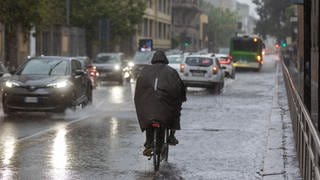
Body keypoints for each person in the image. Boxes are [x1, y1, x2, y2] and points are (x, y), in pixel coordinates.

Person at [134, 50, 186, 156]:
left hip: (148, 105)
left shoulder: (145, 71)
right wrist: (181, 98)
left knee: (149, 117)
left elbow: (138, 90)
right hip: (165, 105)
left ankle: (149, 143)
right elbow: (179, 87)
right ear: (165, 59)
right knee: (175, 111)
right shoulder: (171, 72)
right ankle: (171, 136)